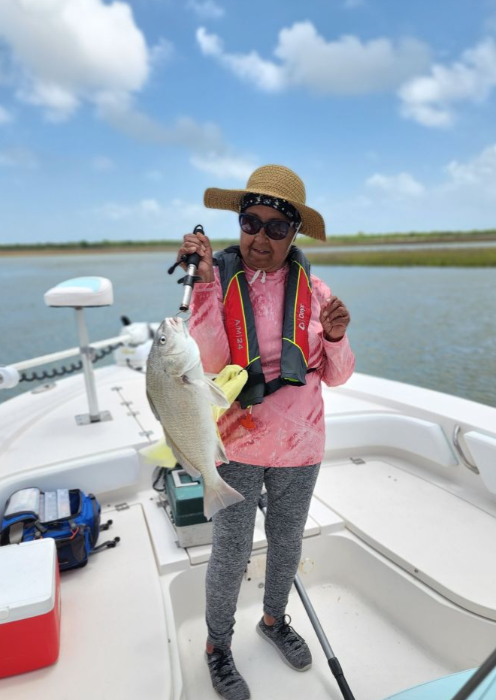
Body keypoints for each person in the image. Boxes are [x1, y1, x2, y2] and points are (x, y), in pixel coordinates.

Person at [177, 164, 355, 700]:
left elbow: (339, 375)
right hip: (237, 439)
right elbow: (209, 359)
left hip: (301, 444)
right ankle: (217, 646)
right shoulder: (217, 282)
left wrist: (337, 337)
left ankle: (274, 620)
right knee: (230, 552)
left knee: (285, 543)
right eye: (250, 222)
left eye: (277, 228)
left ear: (293, 234)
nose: (261, 238)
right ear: (239, 224)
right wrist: (205, 284)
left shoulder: (317, 291)